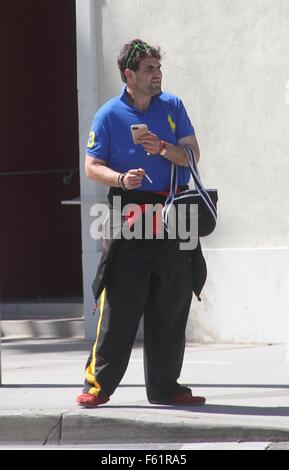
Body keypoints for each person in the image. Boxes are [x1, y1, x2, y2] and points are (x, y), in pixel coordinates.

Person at [76, 39, 206, 408]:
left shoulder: (172, 107)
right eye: (149, 69)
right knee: (121, 303)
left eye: (158, 68)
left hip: (173, 210)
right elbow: (91, 167)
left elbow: (193, 155)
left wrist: (163, 149)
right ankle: (98, 385)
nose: (157, 74)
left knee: (172, 300)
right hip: (130, 213)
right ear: (129, 75)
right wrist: (121, 179)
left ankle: (166, 386)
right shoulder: (108, 115)